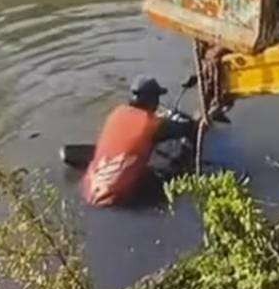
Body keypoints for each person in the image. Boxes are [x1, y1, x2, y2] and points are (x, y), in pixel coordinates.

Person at [76, 75, 195, 208]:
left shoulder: (117, 113)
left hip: (88, 190)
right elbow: (185, 128)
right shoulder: (152, 124)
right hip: (115, 197)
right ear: (152, 100)